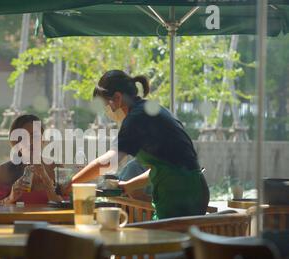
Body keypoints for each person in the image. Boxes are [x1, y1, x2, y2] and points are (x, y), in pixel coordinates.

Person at [66, 70, 209, 220]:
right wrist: (127, 186)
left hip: (179, 194)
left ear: (117, 97)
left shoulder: (136, 118)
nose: (108, 112)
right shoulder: (149, 109)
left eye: (106, 106)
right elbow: (164, 167)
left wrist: (72, 183)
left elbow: (111, 160)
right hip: (192, 188)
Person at [0, 114, 62, 205]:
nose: (30, 142)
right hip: (16, 219)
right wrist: (11, 198)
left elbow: (67, 207)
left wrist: (46, 179)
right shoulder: (4, 171)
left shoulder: (56, 168)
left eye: (35, 136)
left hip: (49, 219)